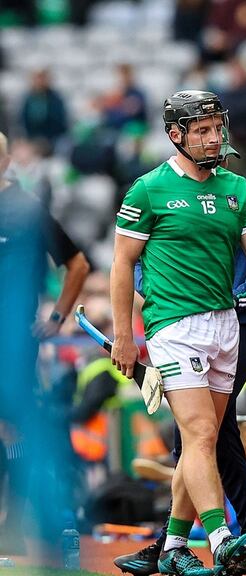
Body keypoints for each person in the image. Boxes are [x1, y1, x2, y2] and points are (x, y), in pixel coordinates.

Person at [109, 90, 246, 576]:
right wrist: (125, 335)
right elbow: (122, 265)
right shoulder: (147, 190)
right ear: (176, 135)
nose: (215, 139)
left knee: (204, 442)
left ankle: (172, 545)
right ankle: (221, 538)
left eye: (218, 129)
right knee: (198, 433)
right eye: (203, 131)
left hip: (225, 324)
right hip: (173, 325)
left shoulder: (236, 187)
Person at [0, 129, 91, 555]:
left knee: (14, 427)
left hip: (14, 340)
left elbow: (77, 263)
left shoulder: (26, 210)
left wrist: (57, 317)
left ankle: (27, 525)